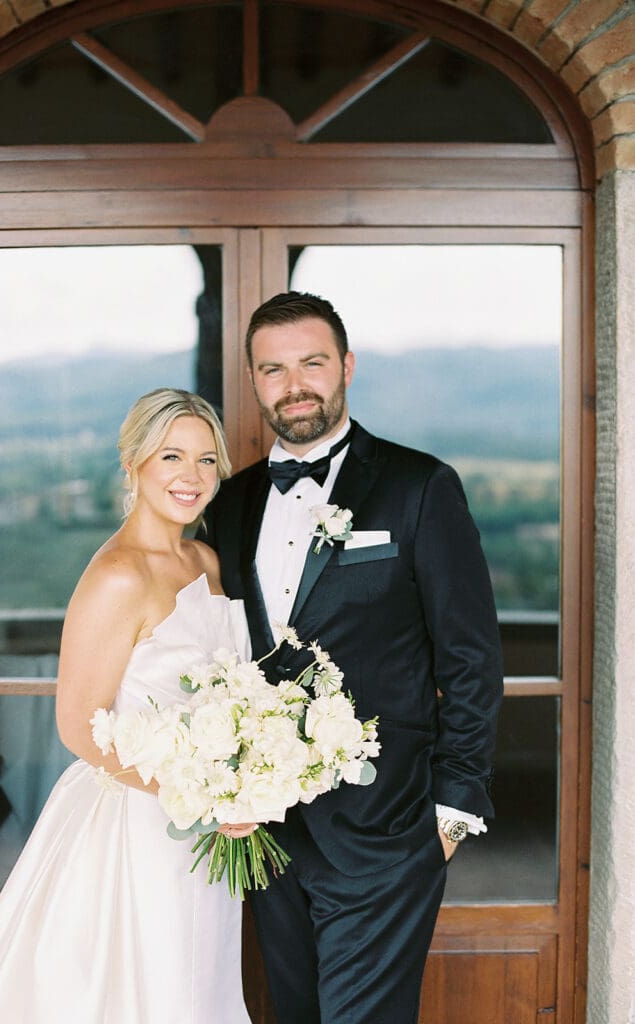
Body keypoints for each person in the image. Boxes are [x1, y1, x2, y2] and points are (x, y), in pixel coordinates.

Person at [205, 292, 504, 1024]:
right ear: (253, 380)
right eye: (272, 369)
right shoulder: (229, 502)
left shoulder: (418, 487)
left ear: (345, 366)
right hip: (266, 833)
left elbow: (468, 655)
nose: (293, 384)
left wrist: (452, 811)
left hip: (388, 823)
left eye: (311, 362)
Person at [0, 388, 253, 1024]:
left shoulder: (205, 561)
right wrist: (198, 794)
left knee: (201, 983)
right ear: (134, 461)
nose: (190, 476)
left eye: (205, 460)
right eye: (171, 456)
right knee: (151, 988)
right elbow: (79, 726)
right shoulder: (118, 574)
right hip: (141, 826)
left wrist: (247, 777)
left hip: (209, 829)